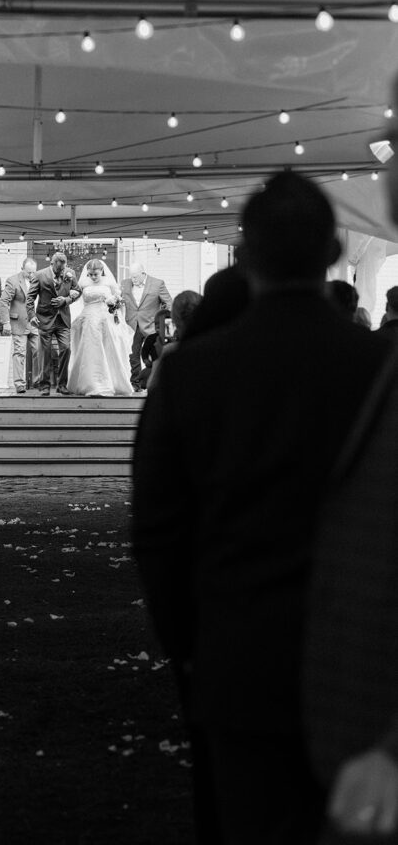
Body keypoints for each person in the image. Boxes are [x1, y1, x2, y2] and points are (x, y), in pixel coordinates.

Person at [131, 172, 393, 845]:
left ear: (244, 256)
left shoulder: (192, 371)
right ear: (333, 253)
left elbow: (158, 530)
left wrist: (188, 645)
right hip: (368, 658)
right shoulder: (378, 365)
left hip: (238, 650)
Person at [67, 258, 133, 396]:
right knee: (89, 349)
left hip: (105, 318)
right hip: (89, 317)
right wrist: (71, 294)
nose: (92, 277)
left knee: (108, 348)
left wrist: (114, 303)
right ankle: (89, 383)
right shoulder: (83, 283)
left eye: (95, 274)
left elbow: (118, 298)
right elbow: (76, 297)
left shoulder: (109, 282)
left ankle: (112, 382)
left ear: (101, 271)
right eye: (90, 274)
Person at [26, 251, 81, 397]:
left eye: (63, 269)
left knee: (66, 349)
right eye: (58, 269)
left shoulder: (70, 273)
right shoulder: (39, 275)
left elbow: (77, 291)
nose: (62, 272)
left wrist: (66, 300)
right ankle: (44, 386)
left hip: (63, 319)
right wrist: (31, 315)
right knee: (45, 352)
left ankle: (62, 385)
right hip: (44, 319)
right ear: (52, 264)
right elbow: (30, 297)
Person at [120, 262, 172, 392]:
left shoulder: (158, 283)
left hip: (151, 325)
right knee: (133, 355)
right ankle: (135, 384)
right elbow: (119, 301)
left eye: (135, 277)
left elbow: (169, 303)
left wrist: (163, 322)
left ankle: (156, 382)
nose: (133, 280)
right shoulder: (125, 284)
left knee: (154, 355)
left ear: (143, 274)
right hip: (132, 325)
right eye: (131, 277)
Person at [0, 257, 39, 395]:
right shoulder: (13, 281)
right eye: (28, 273)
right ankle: (20, 384)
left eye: (33, 272)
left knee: (39, 351)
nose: (31, 275)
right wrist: (6, 323)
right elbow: (3, 302)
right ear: (22, 269)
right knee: (20, 353)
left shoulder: (38, 279)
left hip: (35, 322)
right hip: (19, 322)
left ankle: (38, 381)